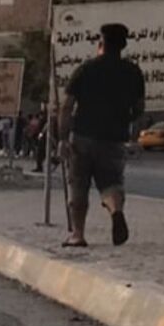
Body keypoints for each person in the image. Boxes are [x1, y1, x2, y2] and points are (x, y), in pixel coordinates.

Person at [60, 22, 145, 248]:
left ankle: (78, 234)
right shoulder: (133, 72)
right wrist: (127, 123)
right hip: (114, 138)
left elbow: (67, 106)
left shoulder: (85, 69)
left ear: (101, 44)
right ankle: (115, 211)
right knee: (112, 183)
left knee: (78, 185)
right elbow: (139, 108)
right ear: (123, 46)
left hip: (83, 136)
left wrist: (62, 138)